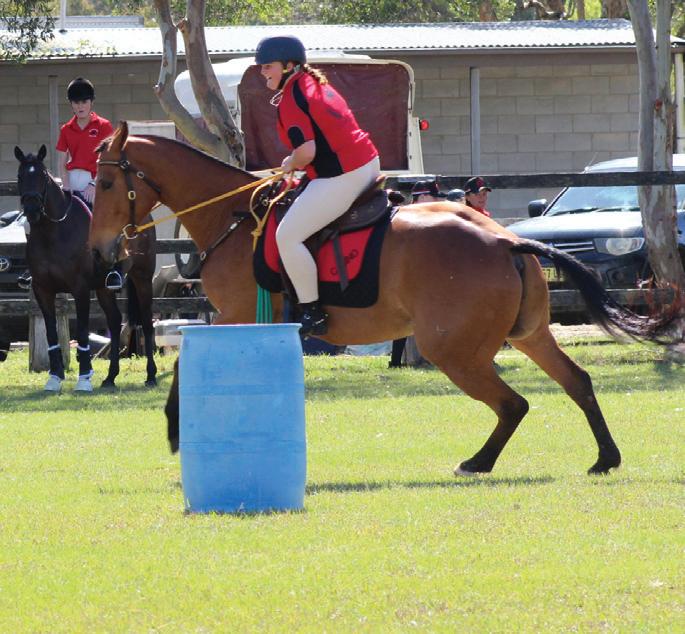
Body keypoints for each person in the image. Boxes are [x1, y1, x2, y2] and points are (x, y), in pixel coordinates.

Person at [256, 35, 380, 336]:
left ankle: (312, 311)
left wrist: (290, 162)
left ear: (289, 66)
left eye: (268, 66)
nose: (263, 72)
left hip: (342, 175)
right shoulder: (313, 83)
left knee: (287, 237)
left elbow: (307, 152)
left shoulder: (291, 98)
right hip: (366, 162)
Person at [56, 77, 122, 290]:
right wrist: (65, 184)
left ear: (91, 102)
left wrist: (94, 185)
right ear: (71, 104)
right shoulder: (66, 129)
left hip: (96, 181)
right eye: (75, 102)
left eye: (84, 101)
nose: (80, 106)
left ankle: (114, 269)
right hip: (72, 180)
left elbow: (108, 158)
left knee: (108, 221)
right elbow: (61, 160)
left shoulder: (103, 126)